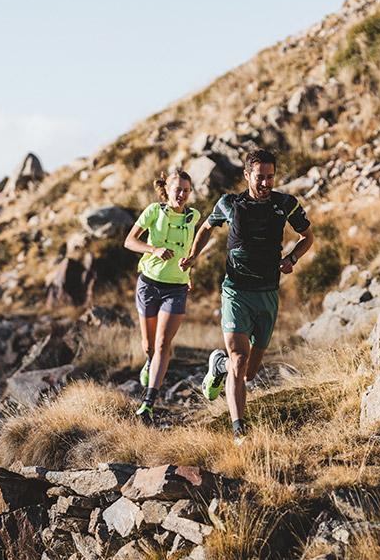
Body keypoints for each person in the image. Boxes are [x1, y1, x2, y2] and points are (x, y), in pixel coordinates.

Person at [179, 148, 314, 442]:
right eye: (259, 177)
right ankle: (240, 431)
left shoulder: (286, 203)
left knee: (249, 371)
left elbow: (308, 237)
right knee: (239, 360)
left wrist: (292, 258)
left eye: (270, 177)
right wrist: (192, 257)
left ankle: (218, 365)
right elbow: (206, 228)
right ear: (246, 175)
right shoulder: (230, 203)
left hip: (267, 293)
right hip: (236, 291)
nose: (266, 183)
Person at [123, 170, 200, 422]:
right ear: (167, 189)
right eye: (177, 189)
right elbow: (129, 242)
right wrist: (153, 249)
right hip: (149, 284)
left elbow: (189, 250)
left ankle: (149, 401)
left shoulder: (193, 216)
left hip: (176, 287)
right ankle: (150, 362)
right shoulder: (153, 211)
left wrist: (190, 268)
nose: (182, 195)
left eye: (186, 191)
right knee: (149, 346)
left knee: (163, 345)